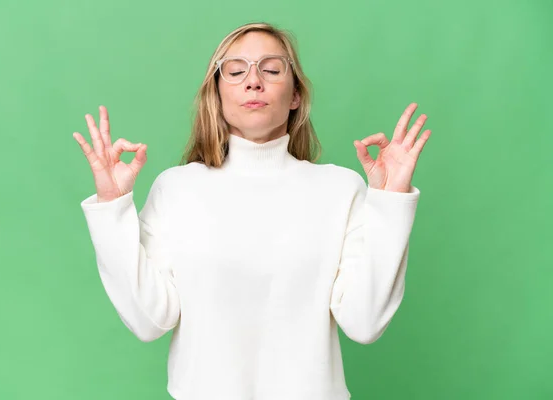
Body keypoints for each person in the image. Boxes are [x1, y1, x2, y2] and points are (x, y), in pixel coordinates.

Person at [73, 22, 431, 400]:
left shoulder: (340, 189)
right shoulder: (176, 189)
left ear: (295, 95)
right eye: (236, 69)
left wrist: (391, 201)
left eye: (272, 69)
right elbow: (149, 320)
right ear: (218, 93)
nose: (253, 81)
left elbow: (365, 322)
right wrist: (112, 209)